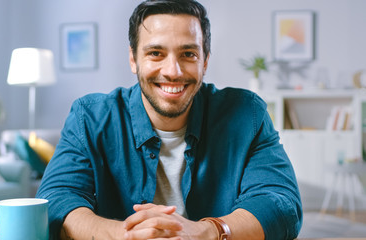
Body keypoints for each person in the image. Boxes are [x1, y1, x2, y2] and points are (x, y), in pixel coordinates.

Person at [36, 0, 303, 239]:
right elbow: (57, 200)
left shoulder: (248, 114)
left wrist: (207, 232)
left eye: (188, 54)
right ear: (133, 58)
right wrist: (122, 235)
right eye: (156, 53)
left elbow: (281, 203)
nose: (173, 71)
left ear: (205, 62)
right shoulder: (89, 118)